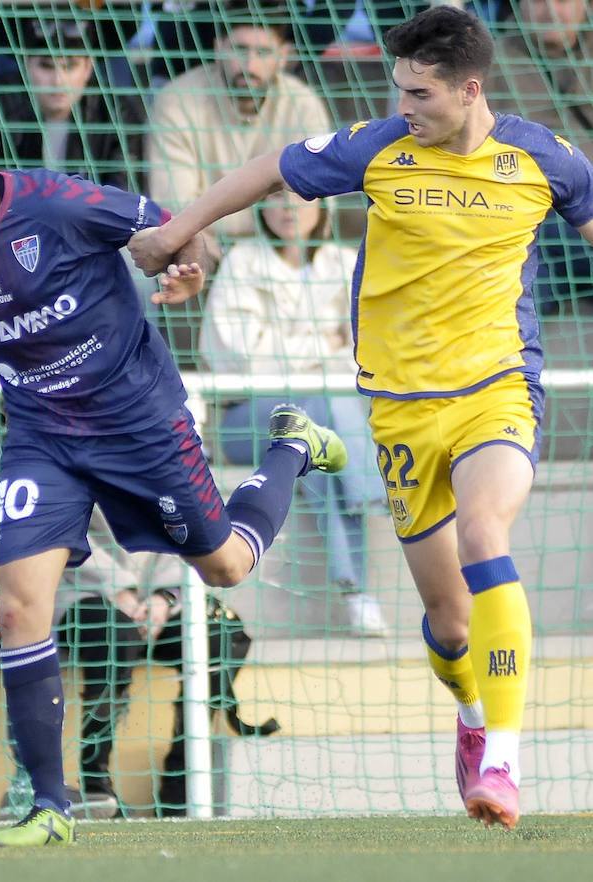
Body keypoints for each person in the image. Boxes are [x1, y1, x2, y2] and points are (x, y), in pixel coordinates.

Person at [0, 119, 347, 846]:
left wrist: (188, 265)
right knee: (21, 609)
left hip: (140, 422)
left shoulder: (57, 206)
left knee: (228, 565)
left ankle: (292, 447)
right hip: (41, 440)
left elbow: (178, 231)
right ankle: (51, 806)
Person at [129, 5, 593, 831]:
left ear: (470, 90)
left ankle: (505, 760)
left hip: (498, 388)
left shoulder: (545, 158)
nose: (403, 104)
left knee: (487, 534)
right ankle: (471, 711)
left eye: (418, 92)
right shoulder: (378, 148)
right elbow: (268, 168)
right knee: (450, 625)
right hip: (402, 407)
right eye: (397, 89)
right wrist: (179, 229)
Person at [199, 191, 387, 636]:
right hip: (243, 420)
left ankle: (355, 592)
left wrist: (304, 355)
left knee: (318, 446)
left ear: (324, 207)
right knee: (319, 407)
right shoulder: (244, 262)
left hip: (315, 423)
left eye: (303, 198)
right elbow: (240, 357)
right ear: (261, 208)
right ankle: (368, 489)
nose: (289, 208)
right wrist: (327, 345)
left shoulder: (344, 263)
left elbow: (368, 353)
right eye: (277, 198)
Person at [146, 1, 334, 261]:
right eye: (240, 49)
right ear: (218, 48)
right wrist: (273, 212)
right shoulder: (177, 101)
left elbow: (320, 209)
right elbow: (175, 208)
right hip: (204, 250)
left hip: (278, 252)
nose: (249, 64)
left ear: (284, 56)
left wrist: (213, 219)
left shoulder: (303, 104)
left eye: (263, 52)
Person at [0, 16, 147, 192]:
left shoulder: (118, 114)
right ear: (26, 65)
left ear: (88, 68)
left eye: (69, 66)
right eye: (46, 66)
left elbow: (123, 200)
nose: (58, 81)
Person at [484, 0, 593, 311]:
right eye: (538, 2)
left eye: (561, 1)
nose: (550, 10)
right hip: (533, 211)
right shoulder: (493, 60)